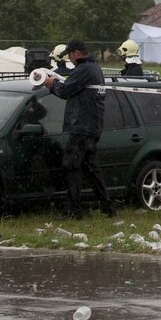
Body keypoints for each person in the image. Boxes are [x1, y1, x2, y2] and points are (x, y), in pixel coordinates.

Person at [43, 39, 115, 218]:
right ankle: (108, 208)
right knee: (91, 168)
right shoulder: (94, 68)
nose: (69, 58)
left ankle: (74, 211)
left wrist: (52, 84)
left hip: (81, 128)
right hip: (91, 127)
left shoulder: (84, 70)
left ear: (76, 53)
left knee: (71, 166)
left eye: (69, 54)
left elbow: (65, 91)